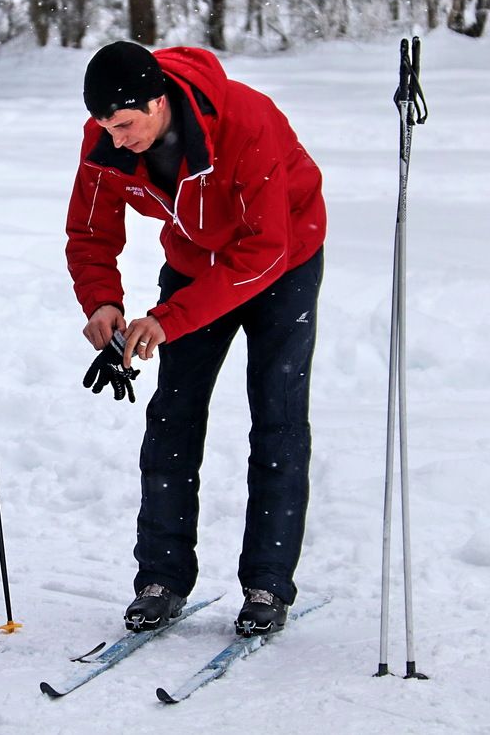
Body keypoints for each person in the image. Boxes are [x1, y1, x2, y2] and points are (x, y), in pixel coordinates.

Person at [67, 42, 326, 637]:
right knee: (172, 416)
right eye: (105, 125)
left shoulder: (245, 120)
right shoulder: (106, 137)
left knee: (278, 416)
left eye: (126, 124)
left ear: (157, 102)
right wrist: (103, 300)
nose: (116, 137)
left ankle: (267, 583)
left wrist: (168, 317)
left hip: (284, 259)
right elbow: (90, 230)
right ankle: (161, 578)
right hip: (196, 258)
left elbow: (264, 250)